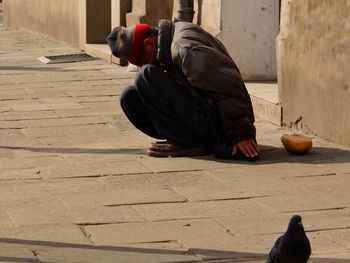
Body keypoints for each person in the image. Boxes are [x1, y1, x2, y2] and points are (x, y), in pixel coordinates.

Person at [107, 19, 260, 160]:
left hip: (223, 125)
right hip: (204, 111)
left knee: (146, 76)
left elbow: (226, 88)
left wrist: (241, 134)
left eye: (144, 59)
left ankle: (188, 142)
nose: (147, 64)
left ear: (150, 44)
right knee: (129, 96)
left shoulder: (186, 50)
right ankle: (186, 140)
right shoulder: (171, 38)